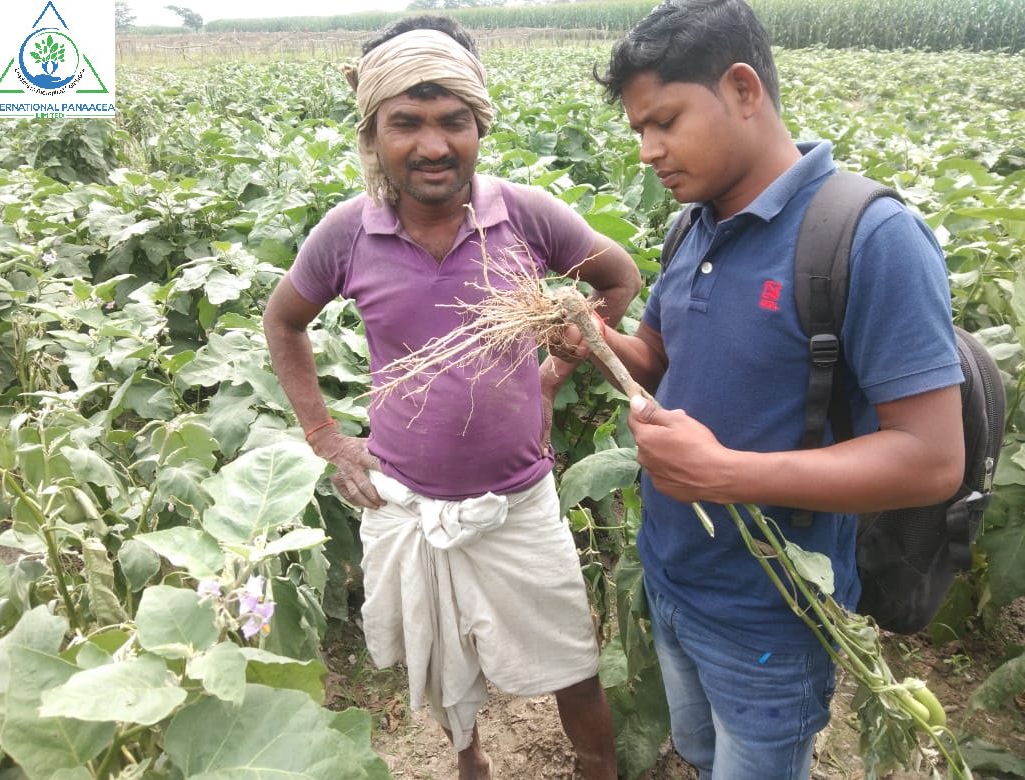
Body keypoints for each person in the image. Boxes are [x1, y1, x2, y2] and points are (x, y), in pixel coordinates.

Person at [558, 0, 966, 777]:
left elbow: (930, 459)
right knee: (701, 750)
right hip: (674, 579)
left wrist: (725, 474)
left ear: (744, 89)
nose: (648, 151)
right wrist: (599, 343)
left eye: (665, 121)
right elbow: (660, 354)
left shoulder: (868, 237)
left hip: (772, 614)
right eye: (638, 129)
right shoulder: (693, 222)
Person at [263, 15, 640, 780]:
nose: (433, 146)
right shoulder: (346, 234)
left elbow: (619, 277)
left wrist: (562, 362)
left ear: (479, 127)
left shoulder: (525, 215)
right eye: (407, 123)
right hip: (405, 501)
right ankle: (470, 764)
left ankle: (596, 768)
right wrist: (327, 439)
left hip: (519, 498)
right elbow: (283, 322)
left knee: (571, 658)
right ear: (373, 133)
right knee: (439, 663)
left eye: (453, 122)